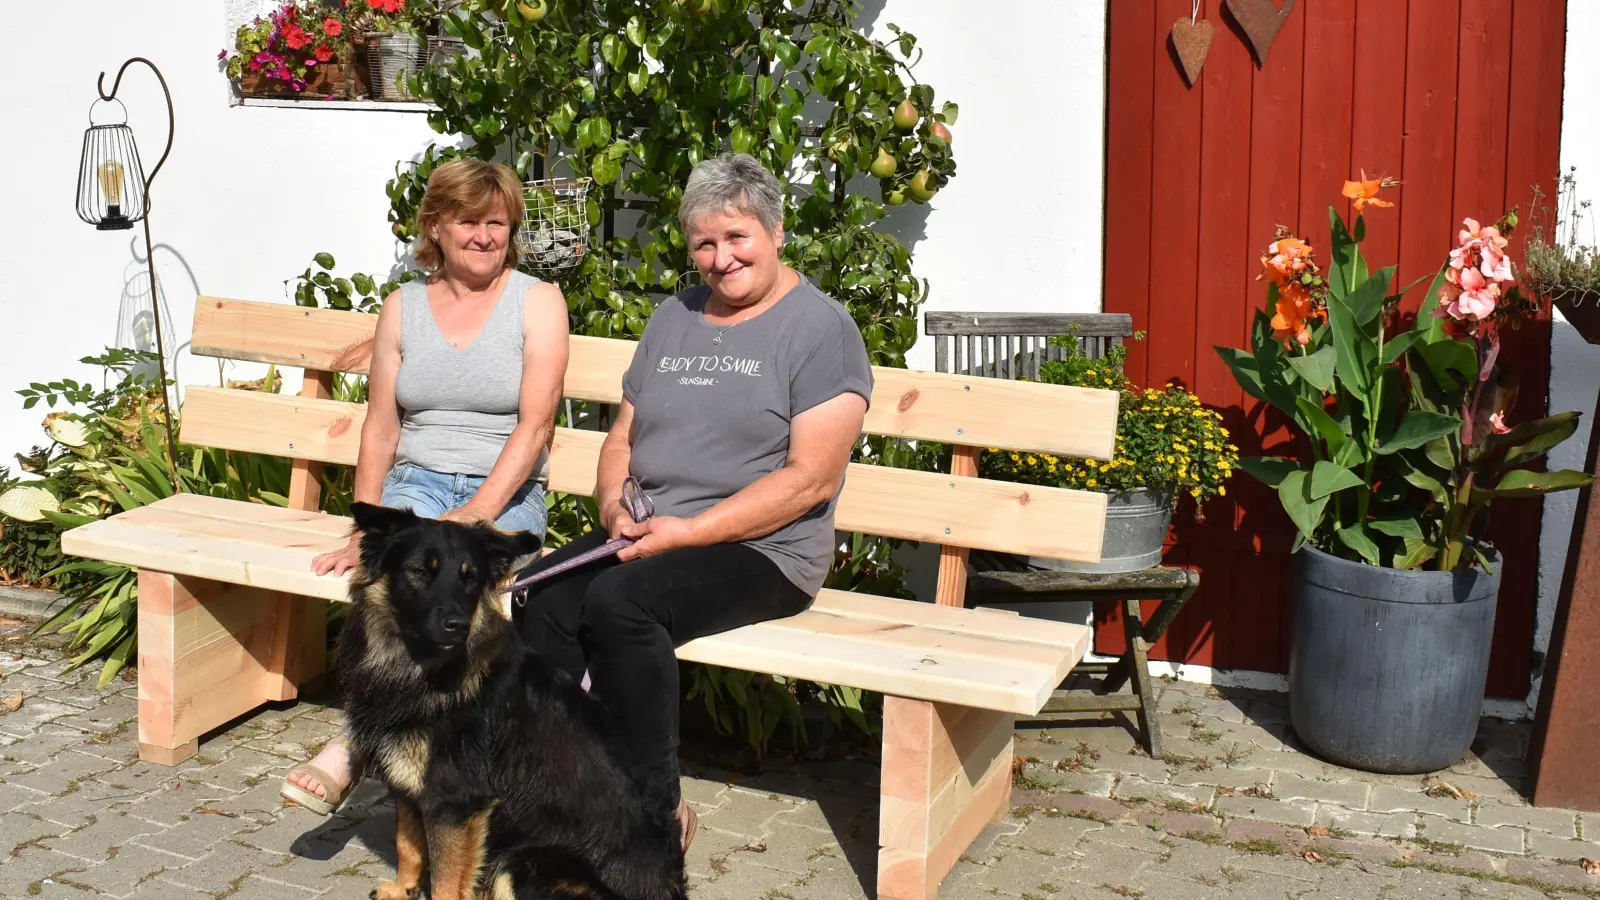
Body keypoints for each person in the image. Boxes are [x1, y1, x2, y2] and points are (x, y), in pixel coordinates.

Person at [513, 152, 873, 852]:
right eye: (704, 243)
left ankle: (654, 811)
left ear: (776, 231)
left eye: (737, 236)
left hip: (763, 550)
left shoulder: (822, 330)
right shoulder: (673, 317)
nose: (721, 258)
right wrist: (614, 506)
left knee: (621, 604)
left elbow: (811, 480)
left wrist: (691, 531)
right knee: (540, 594)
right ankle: (565, 786)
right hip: (650, 533)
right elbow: (622, 436)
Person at [279, 158, 570, 815]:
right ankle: (361, 737)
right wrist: (365, 531)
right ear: (436, 226)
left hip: (504, 490)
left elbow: (536, 426)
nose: (485, 236)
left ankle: (453, 752)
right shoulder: (402, 307)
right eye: (469, 222)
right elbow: (382, 428)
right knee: (385, 584)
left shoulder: (538, 302)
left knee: (464, 590)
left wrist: (477, 512)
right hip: (415, 485)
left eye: (498, 223)